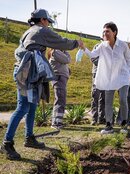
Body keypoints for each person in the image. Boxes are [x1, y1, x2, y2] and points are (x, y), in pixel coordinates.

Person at [0, 8, 82, 160]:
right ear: (43, 20)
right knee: (23, 107)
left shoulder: (28, 31)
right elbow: (61, 42)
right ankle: (7, 143)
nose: (48, 25)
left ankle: (29, 138)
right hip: (26, 73)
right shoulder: (42, 31)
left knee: (32, 106)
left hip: (28, 72)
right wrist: (77, 43)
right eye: (48, 22)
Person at [79, 22, 130, 134]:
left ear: (114, 32)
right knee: (108, 102)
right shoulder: (102, 46)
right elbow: (93, 55)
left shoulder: (123, 45)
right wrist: (84, 48)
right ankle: (109, 125)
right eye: (104, 31)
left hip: (123, 76)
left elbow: (129, 60)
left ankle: (124, 124)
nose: (105, 33)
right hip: (109, 77)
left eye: (107, 31)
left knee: (123, 99)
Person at [48, 49, 71, 129]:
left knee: (60, 99)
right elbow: (67, 59)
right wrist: (66, 53)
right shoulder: (56, 52)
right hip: (58, 77)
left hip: (61, 78)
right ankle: (56, 123)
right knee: (60, 99)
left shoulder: (61, 52)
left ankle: (58, 122)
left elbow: (67, 60)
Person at [90, 43, 106, 126]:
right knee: (95, 95)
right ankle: (94, 118)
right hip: (97, 74)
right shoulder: (97, 46)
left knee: (104, 97)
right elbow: (93, 58)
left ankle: (101, 118)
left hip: (106, 76)